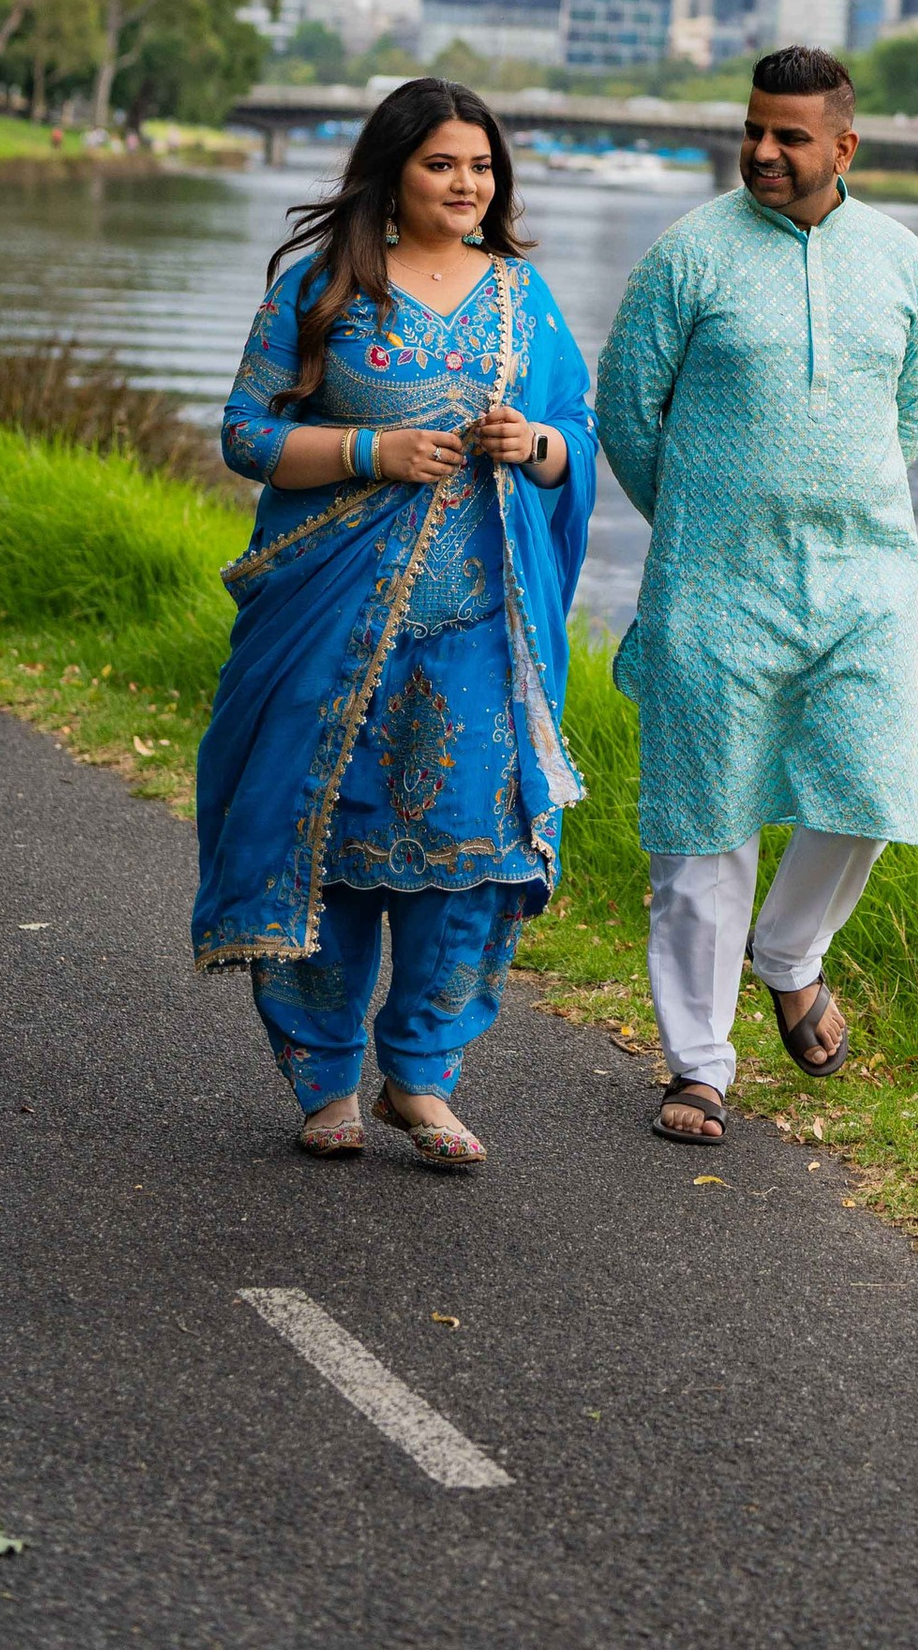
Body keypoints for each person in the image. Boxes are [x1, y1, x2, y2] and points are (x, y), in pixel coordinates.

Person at [193, 77, 595, 1167]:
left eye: (481, 166)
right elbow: (245, 434)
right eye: (441, 165)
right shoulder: (323, 291)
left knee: (467, 856)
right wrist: (370, 452)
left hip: (479, 630)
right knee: (327, 845)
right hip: (329, 621)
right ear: (394, 171)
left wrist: (538, 447)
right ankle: (325, 1081)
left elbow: (577, 432)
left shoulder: (522, 296)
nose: (467, 185)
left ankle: (421, 1077)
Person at [595, 45, 918, 1144]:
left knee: (874, 785)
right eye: (754, 129)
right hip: (714, 582)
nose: (762, 151)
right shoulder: (687, 257)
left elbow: (911, 410)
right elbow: (624, 414)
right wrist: (704, 520)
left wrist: (837, 513)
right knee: (705, 824)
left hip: (864, 580)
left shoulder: (900, 260)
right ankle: (697, 1066)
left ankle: (788, 951)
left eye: (790, 136)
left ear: (844, 147)